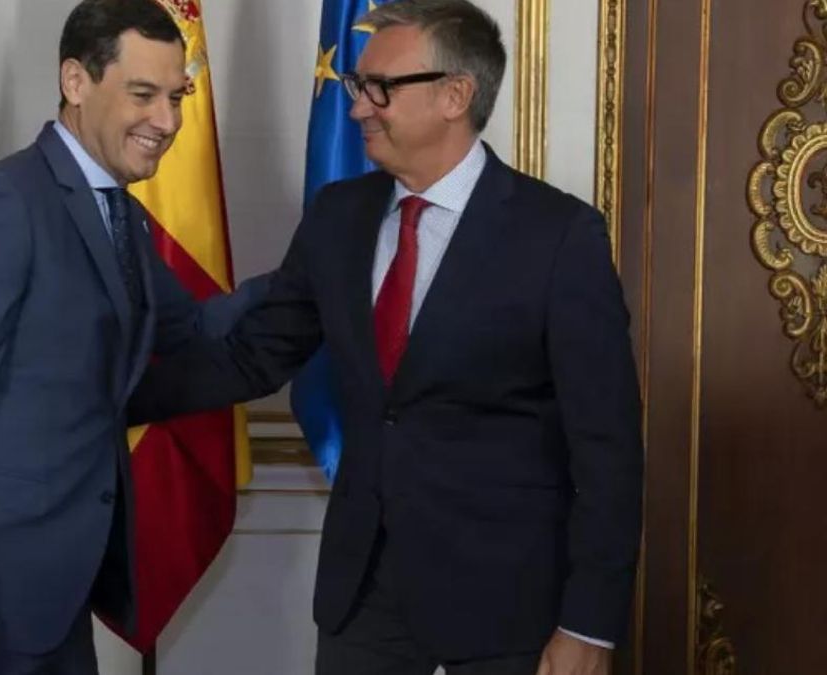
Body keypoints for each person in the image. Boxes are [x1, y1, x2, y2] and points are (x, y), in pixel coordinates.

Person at [127, 1, 643, 673]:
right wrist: (106, 393)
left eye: (380, 89)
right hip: (362, 597)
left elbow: (607, 449)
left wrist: (590, 625)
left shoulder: (558, 236)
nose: (359, 107)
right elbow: (254, 357)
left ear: (455, 94)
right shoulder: (339, 216)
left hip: (509, 606)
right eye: (355, 86)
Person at [0, 1, 268, 673]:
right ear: (76, 82)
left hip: (54, 591)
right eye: (144, 94)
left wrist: (322, 280)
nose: (167, 122)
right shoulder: (4, 205)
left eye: (177, 97)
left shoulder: (120, 216)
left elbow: (199, 328)